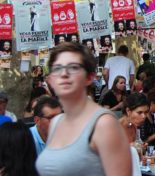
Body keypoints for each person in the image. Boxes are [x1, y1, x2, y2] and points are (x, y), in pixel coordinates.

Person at [36, 42, 131, 175]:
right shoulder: (56, 122)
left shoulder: (103, 124)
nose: (64, 73)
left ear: (89, 77)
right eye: (57, 68)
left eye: (73, 67)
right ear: (50, 78)